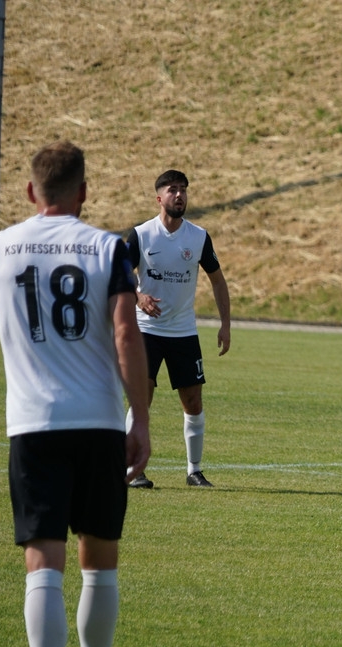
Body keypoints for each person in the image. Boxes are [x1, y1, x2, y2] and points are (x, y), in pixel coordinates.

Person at [0, 141, 151, 647]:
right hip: (98, 422)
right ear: (84, 192)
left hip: (32, 426)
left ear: (31, 190)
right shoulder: (108, 248)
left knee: (42, 563)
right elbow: (126, 334)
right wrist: (141, 418)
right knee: (99, 561)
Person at [125, 170, 232, 489]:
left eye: (183, 189)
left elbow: (218, 280)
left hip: (183, 332)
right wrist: (138, 297)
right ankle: (133, 470)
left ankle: (194, 471)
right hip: (146, 330)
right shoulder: (141, 234)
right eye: (173, 190)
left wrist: (225, 325)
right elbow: (121, 273)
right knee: (141, 400)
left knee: (193, 402)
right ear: (159, 198)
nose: (180, 195)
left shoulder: (198, 237)